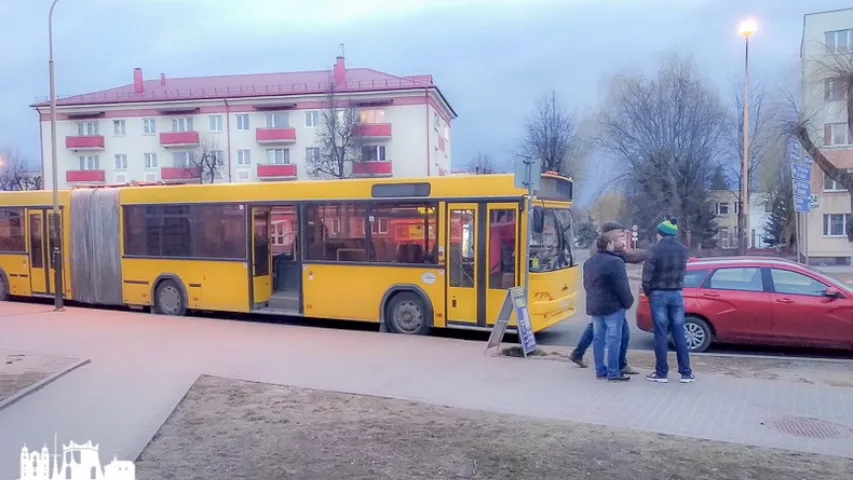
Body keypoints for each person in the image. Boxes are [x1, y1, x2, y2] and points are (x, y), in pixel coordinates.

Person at [570, 221, 645, 374]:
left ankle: (587, 359)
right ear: (608, 235)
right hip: (610, 301)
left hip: (599, 300)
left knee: (599, 333)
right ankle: (616, 367)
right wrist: (652, 253)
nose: (621, 236)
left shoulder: (602, 247)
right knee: (614, 335)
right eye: (619, 232)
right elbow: (626, 260)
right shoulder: (606, 250)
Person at [642, 217, 695, 384]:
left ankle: (661, 372)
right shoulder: (683, 250)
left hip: (658, 294)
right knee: (679, 332)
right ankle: (686, 373)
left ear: (661, 233)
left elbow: (646, 276)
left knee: (660, 334)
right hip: (677, 294)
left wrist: (648, 292)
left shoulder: (654, 250)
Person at [584, 234, 634, 382]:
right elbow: (622, 286)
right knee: (614, 339)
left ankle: (600, 370)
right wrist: (628, 302)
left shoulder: (589, 263)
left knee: (598, 338)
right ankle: (613, 372)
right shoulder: (616, 262)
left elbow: (586, 285)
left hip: (596, 305)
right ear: (609, 245)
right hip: (613, 306)